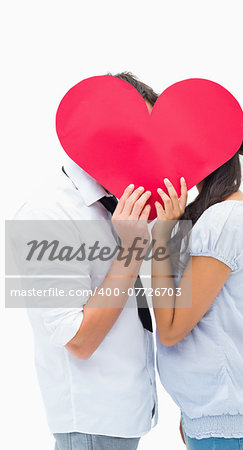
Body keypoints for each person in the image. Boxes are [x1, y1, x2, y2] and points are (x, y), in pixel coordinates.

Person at [12, 72, 159, 450]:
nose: (142, 146)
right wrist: (131, 251)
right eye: (132, 131)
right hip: (94, 424)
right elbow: (77, 338)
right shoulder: (47, 213)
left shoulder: (127, 201)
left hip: (131, 414)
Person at [150, 117, 243, 449]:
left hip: (221, 411)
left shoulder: (224, 219)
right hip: (211, 408)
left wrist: (163, 234)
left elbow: (171, 328)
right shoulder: (218, 213)